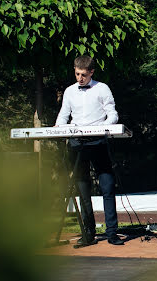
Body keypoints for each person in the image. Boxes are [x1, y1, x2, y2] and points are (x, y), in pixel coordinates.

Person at [55, 55, 124, 246]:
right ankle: (88, 232)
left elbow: (113, 114)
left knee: (107, 187)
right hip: (77, 144)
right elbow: (63, 115)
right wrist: (58, 128)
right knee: (83, 188)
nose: (80, 78)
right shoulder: (69, 91)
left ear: (91, 72)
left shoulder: (102, 89)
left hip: (98, 142)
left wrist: (103, 127)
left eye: (83, 75)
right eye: (77, 74)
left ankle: (112, 232)